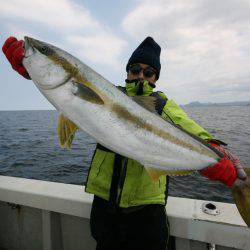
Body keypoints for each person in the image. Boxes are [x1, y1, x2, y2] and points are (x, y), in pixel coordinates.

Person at [2, 36, 246, 250]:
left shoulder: (161, 105)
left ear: (155, 78)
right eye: (135, 69)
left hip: (146, 214)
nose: (141, 75)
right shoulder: (108, 91)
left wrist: (219, 160)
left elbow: (194, 132)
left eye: (148, 72)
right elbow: (68, 100)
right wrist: (30, 66)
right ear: (127, 71)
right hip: (105, 210)